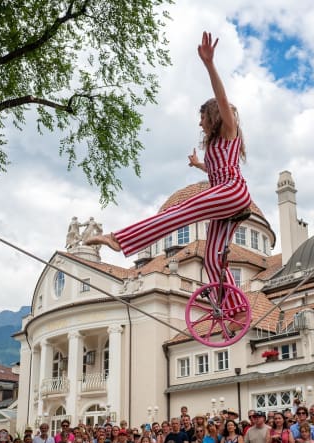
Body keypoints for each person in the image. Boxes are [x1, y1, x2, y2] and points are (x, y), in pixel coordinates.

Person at [84, 31, 252, 310]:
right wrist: (199, 164)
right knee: (212, 257)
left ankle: (119, 238)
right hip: (227, 197)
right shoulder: (214, 147)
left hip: (232, 193)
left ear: (212, 117)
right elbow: (216, 170)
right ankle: (233, 308)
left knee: (178, 212)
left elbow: (223, 100)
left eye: (202, 119)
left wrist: (210, 65)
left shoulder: (229, 130)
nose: (200, 125)